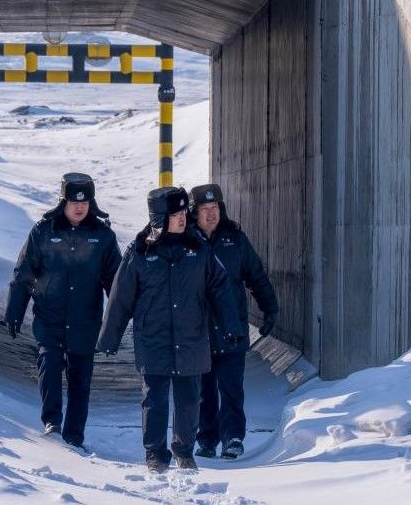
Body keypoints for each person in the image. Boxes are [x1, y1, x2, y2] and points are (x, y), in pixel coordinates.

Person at [96, 186, 242, 473]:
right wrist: (109, 338)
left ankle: (184, 451)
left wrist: (231, 327)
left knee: (189, 400)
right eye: (174, 214)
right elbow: (120, 298)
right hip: (154, 339)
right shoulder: (139, 253)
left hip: (191, 338)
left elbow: (220, 290)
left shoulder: (199, 250)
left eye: (182, 213)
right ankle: (155, 454)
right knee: (155, 399)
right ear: (159, 218)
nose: (182, 219)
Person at [5, 173, 122, 449]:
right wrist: (15, 309)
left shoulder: (103, 237)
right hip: (50, 318)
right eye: (73, 202)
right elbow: (24, 273)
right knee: (50, 365)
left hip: (85, 321)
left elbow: (116, 283)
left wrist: (117, 321)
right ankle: (52, 423)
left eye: (85, 202)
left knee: (81, 381)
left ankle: (74, 436)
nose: (79, 207)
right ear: (63, 202)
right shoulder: (44, 231)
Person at [188, 183, 279, 460]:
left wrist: (270, 308)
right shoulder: (186, 241)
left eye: (215, 208)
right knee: (203, 391)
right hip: (199, 331)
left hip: (232, 329)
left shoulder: (235, 239)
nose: (211, 214)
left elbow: (256, 275)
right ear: (195, 213)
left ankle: (233, 438)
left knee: (231, 388)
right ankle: (206, 439)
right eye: (205, 209)